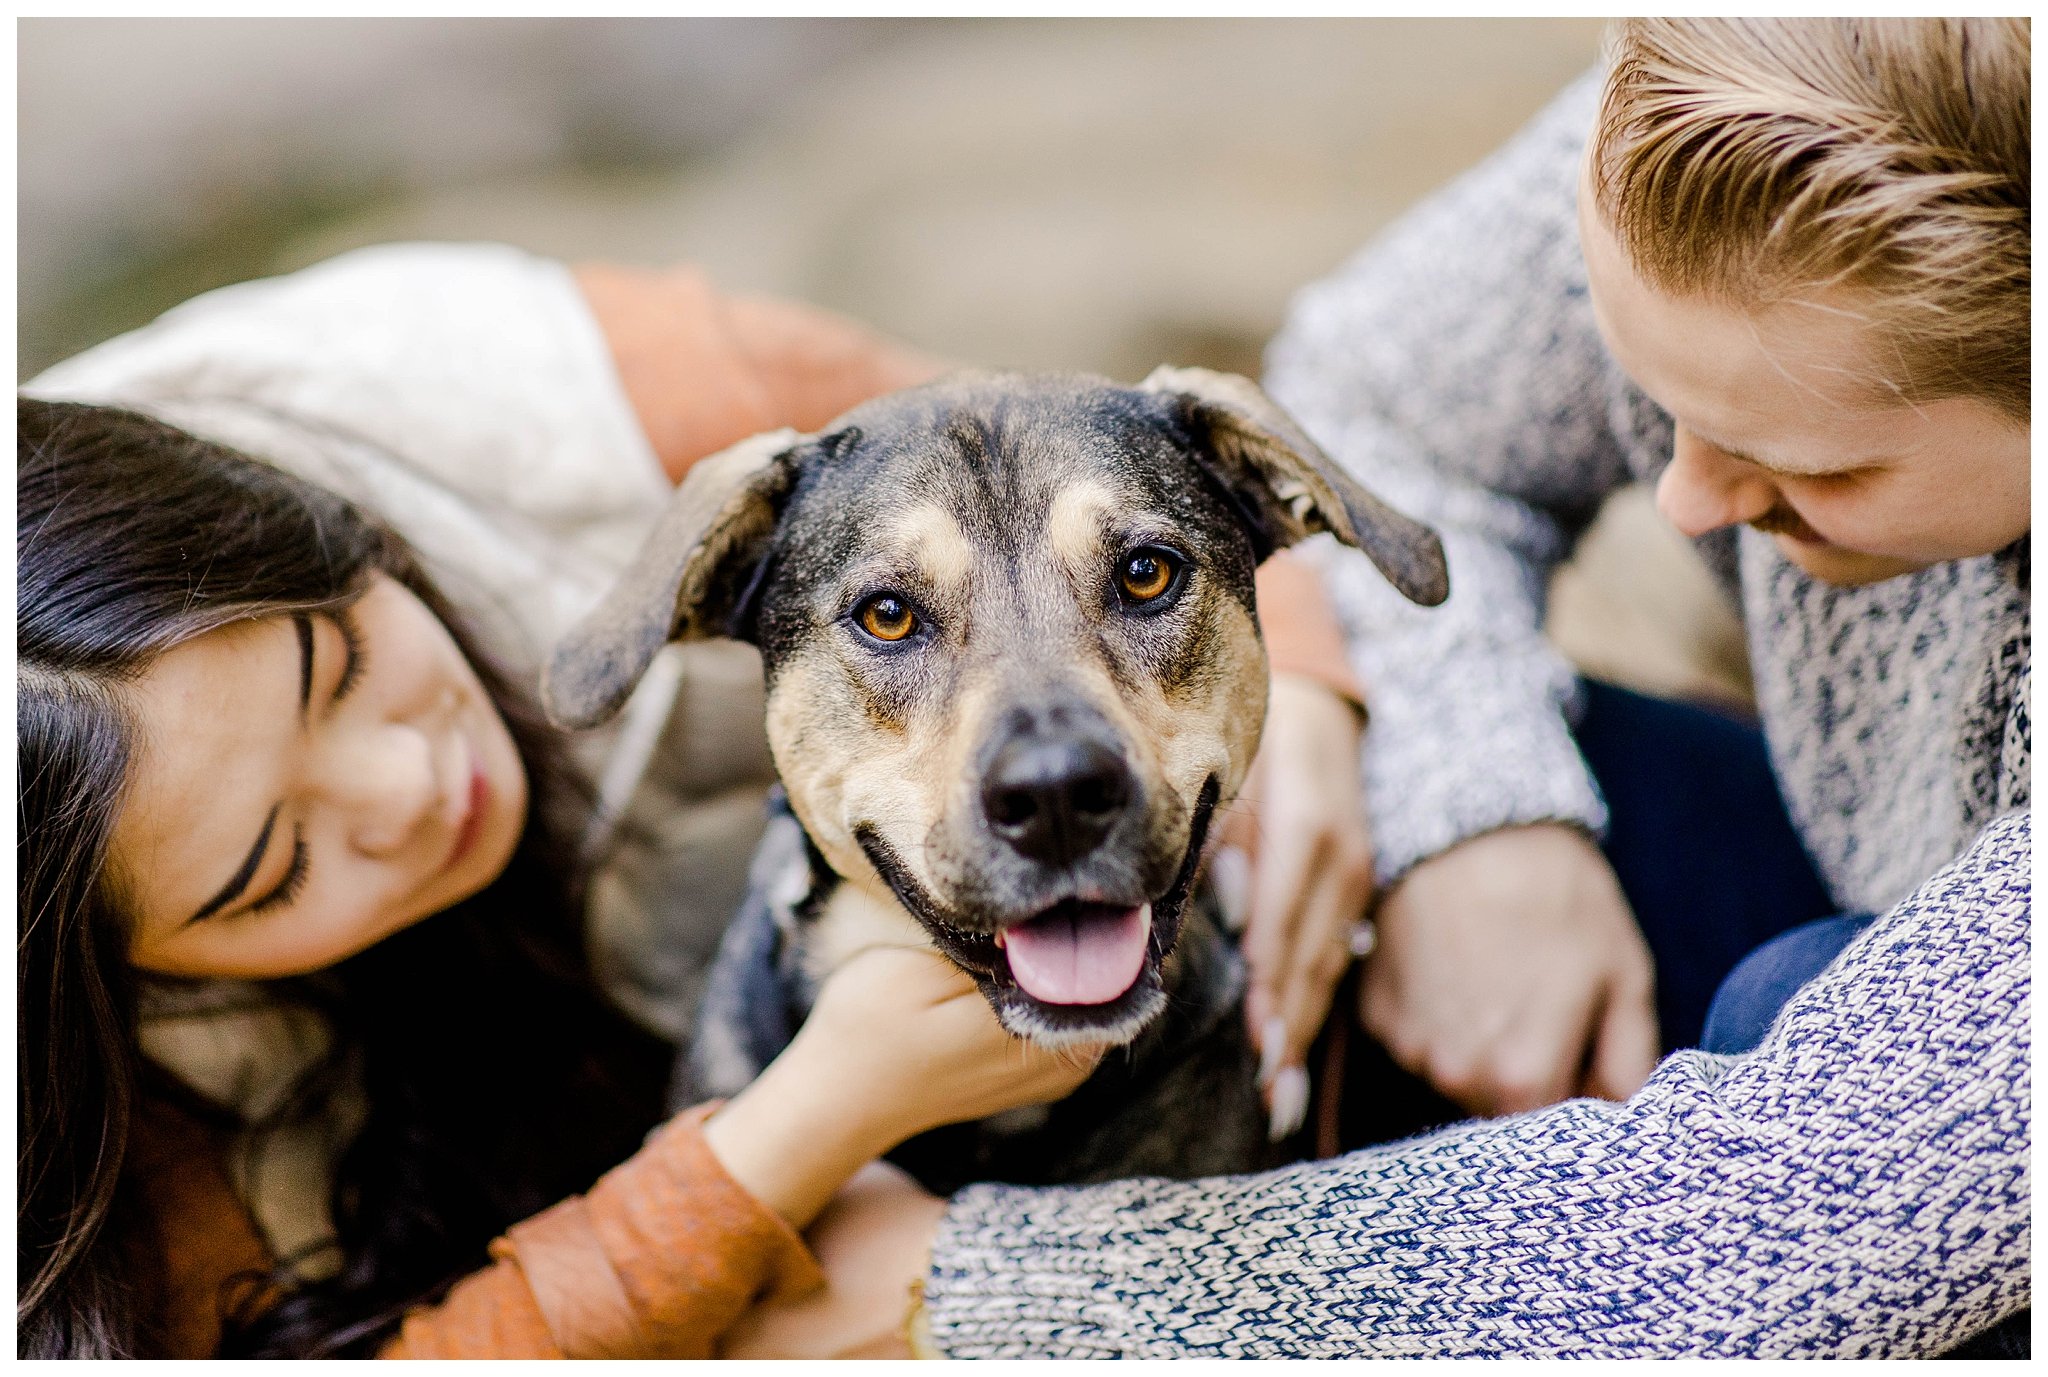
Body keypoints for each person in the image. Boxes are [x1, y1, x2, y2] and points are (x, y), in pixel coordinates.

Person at [730, 17, 2029, 1358]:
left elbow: (1747, 1236)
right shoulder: (1734, 115)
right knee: (1590, 764)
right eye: (1648, 396)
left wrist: (971, 1286)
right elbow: (1374, 397)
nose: (1682, 496)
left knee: (1790, 1008)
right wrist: (1473, 808)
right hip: (1880, 834)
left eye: (1813, 467)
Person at [16, 246, 1369, 1357]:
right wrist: (795, 1134)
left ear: (326, 523)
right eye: (278, 861)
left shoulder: (501, 382)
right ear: (136, 982)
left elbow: (1049, 455)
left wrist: (1312, 700)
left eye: (342, 667)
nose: (411, 781)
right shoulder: (114, 1162)